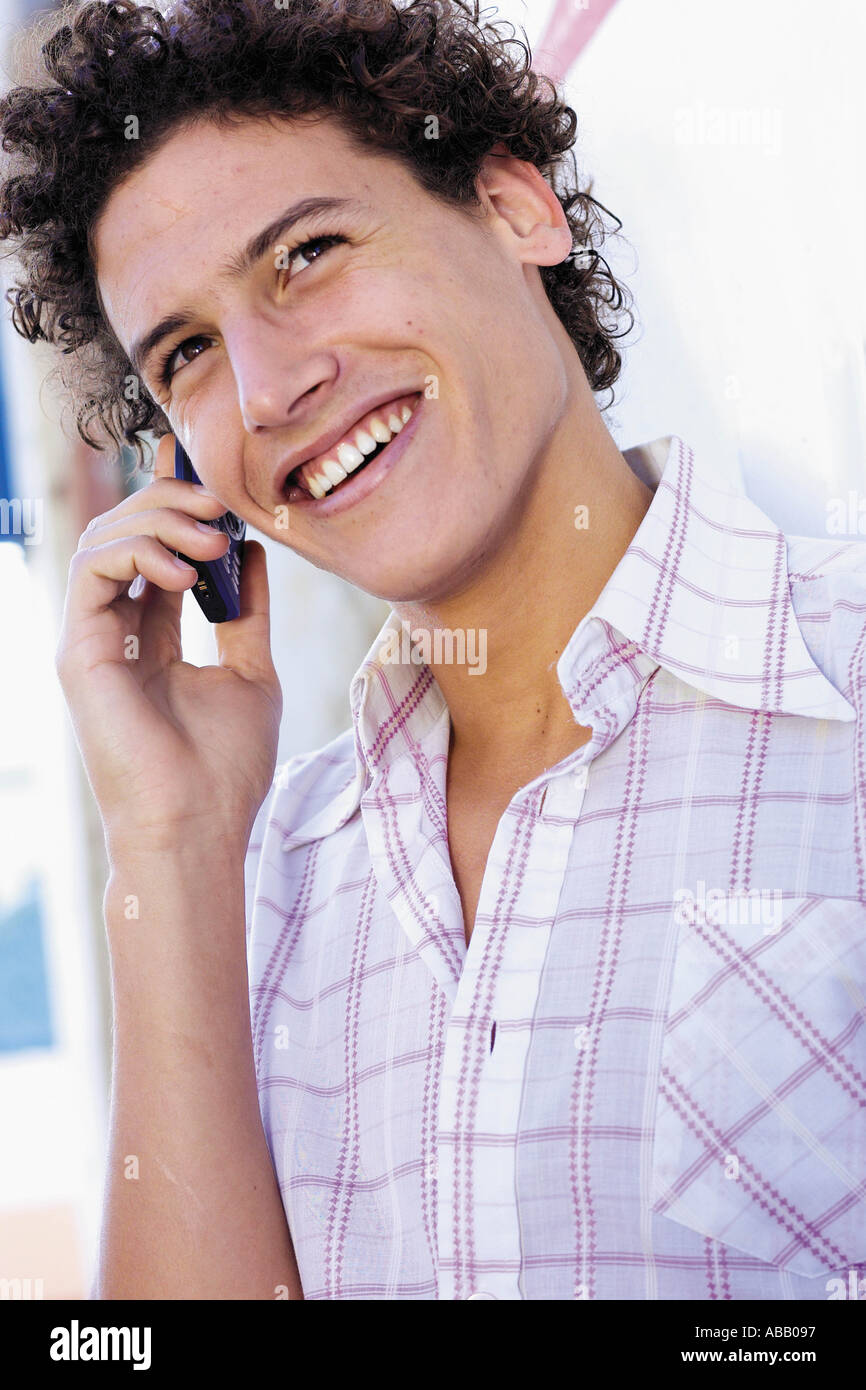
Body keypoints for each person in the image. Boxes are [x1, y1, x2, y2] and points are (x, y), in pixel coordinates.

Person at [2, 0, 864, 1301]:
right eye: (186, 352)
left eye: (305, 254)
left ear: (517, 207)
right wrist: (172, 842)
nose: (264, 390)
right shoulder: (270, 873)